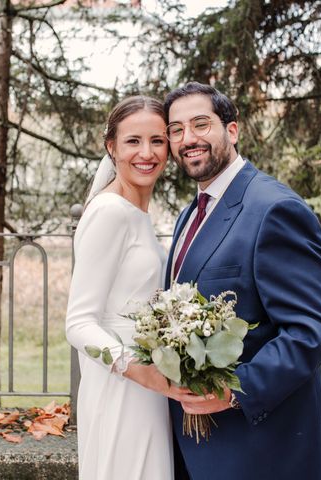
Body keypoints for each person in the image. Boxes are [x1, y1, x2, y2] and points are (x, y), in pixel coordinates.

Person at [163, 82, 321, 480]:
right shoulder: (190, 214)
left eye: (201, 124)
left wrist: (234, 390)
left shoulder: (275, 209)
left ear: (233, 130)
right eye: (176, 129)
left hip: (261, 451)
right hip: (197, 449)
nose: (188, 138)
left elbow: (310, 330)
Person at [65, 95, 194, 480]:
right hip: (121, 386)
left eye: (157, 141)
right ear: (112, 148)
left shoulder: (138, 214)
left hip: (149, 386)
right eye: (133, 141)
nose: (147, 153)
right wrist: (136, 369)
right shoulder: (108, 212)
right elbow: (78, 323)